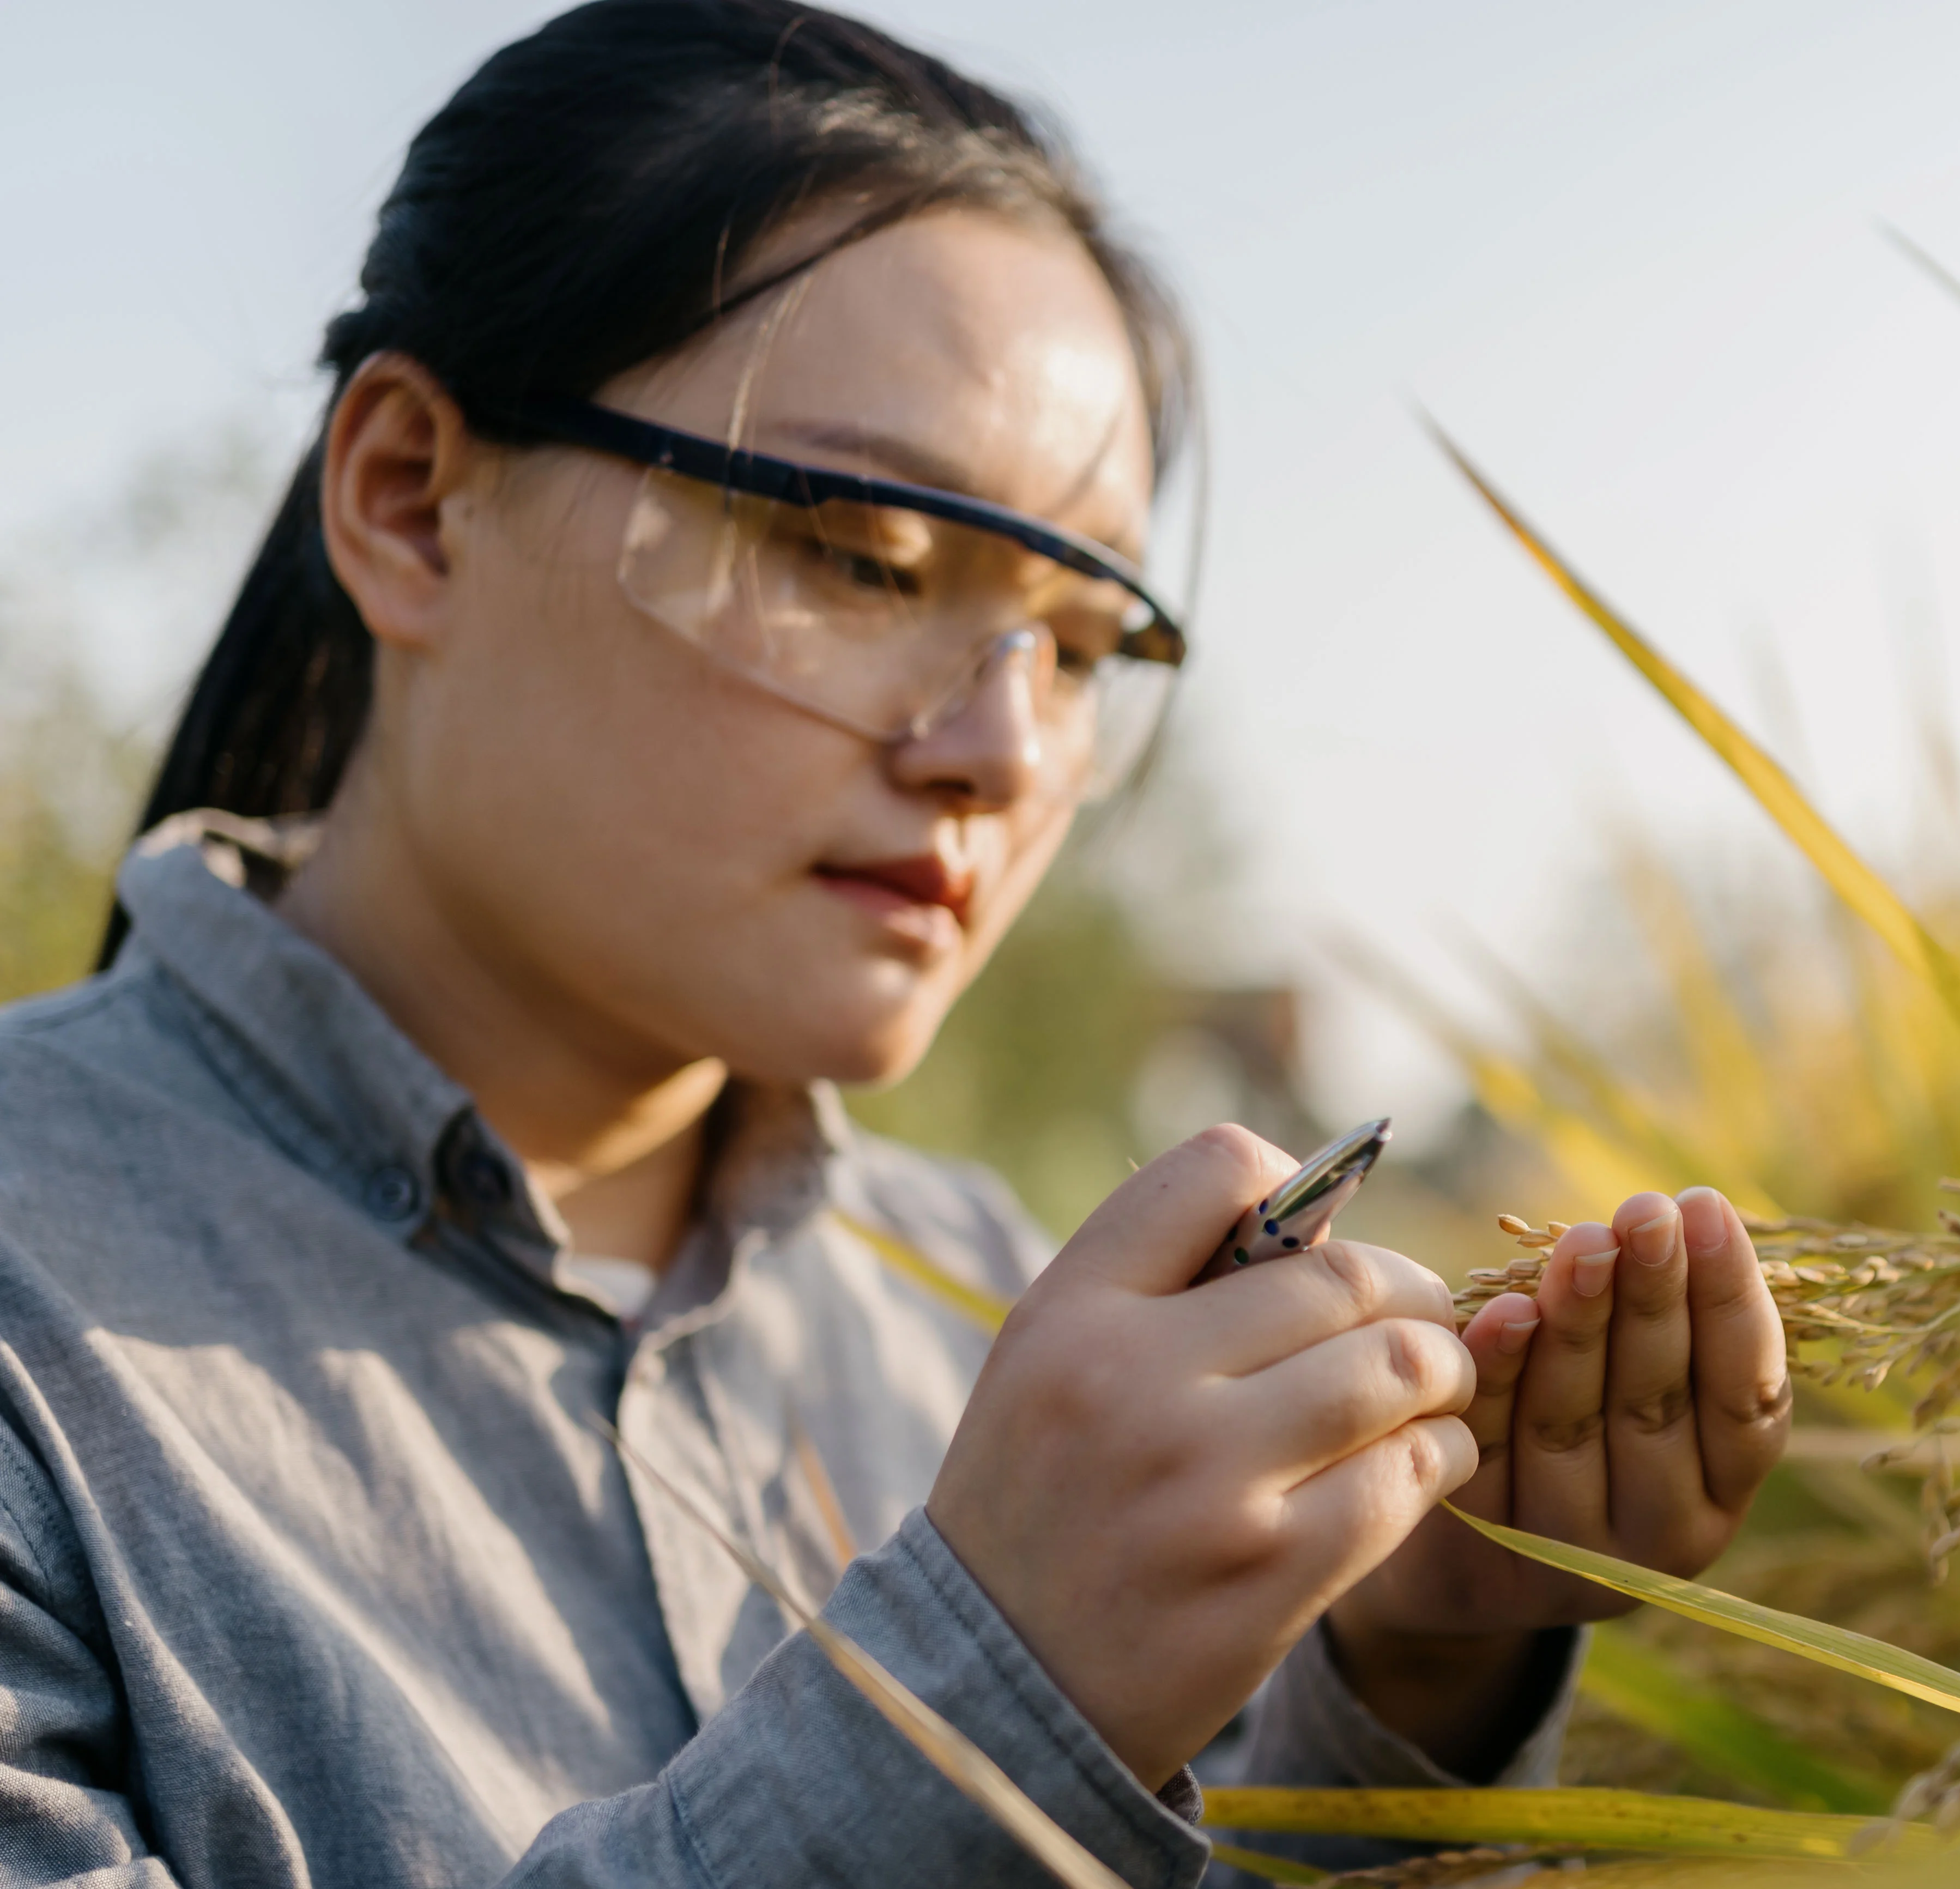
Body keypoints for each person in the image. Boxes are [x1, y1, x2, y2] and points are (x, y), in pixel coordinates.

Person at [0, 2, 1795, 1881]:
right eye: (861, 558)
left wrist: (1410, 1672)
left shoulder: (986, 1306)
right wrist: (989, 1696)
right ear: (411, 499)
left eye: (1084, 651)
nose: (1008, 754)